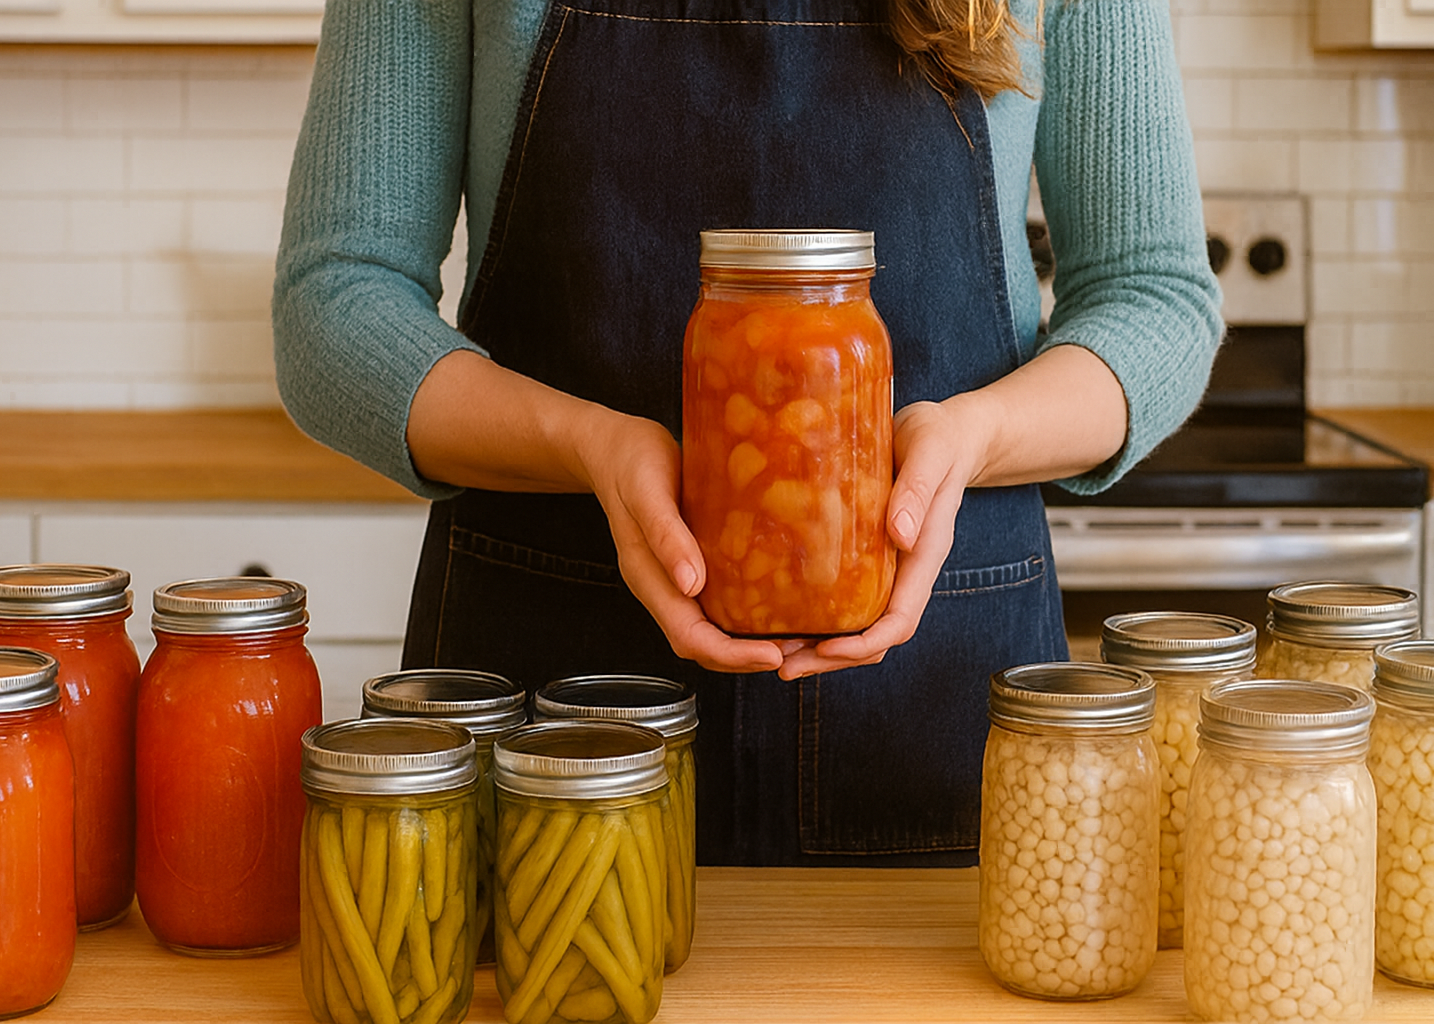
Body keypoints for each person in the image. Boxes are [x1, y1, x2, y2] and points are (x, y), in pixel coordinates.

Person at [273, 0, 1223, 866]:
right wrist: (586, 445)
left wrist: (974, 436)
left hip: (939, 693)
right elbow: (336, 299)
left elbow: (1155, 299)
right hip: (548, 704)